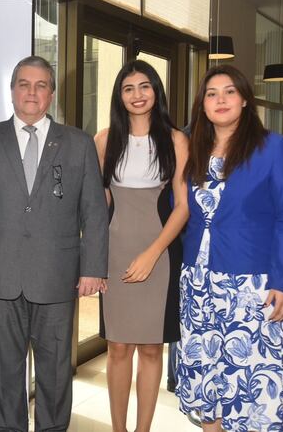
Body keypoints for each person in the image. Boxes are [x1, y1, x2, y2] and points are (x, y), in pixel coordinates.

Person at [0, 55, 109, 432]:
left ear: (51, 94)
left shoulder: (78, 143)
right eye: (24, 84)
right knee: (5, 372)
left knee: (55, 374)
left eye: (41, 85)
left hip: (56, 277)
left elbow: (95, 212)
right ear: (12, 91)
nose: (32, 92)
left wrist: (93, 268)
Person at [176, 64, 283, 431]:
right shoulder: (193, 150)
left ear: (245, 99)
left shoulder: (274, 148)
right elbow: (181, 209)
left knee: (255, 378)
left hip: (251, 285)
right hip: (198, 284)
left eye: (229, 91)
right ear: (202, 105)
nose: (220, 100)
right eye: (212, 94)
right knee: (208, 376)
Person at [94, 60, 188, 432]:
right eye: (129, 88)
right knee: (118, 349)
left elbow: (182, 207)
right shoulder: (103, 140)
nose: (137, 95)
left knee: (151, 349)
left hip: (160, 253)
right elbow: (97, 206)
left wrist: (152, 253)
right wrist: (94, 259)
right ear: (119, 95)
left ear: (156, 91)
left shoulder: (177, 140)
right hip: (115, 252)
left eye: (144, 86)